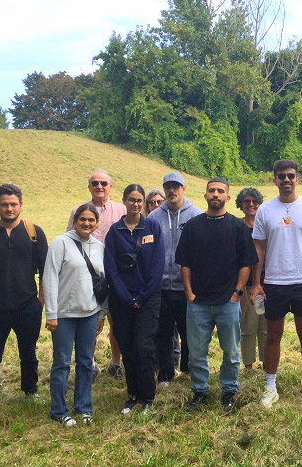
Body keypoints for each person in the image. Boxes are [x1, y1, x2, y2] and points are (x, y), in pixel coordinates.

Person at [251, 160, 302, 408]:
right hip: (274, 282)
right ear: (274, 180)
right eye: (281, 176)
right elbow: (258, 248)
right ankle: (270, 387)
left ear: (297, 179)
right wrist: (257, 282)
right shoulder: (265, 210)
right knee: (273, 336)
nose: (286, 180)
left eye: (290, 176)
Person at [176, 178, 258, 413]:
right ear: (205, 196)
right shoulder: (193, 226)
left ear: (228, 198)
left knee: (231, 352)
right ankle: (199, 392)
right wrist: (189, 293)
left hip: (228, 302)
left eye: (220, 191)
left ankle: (229, 391)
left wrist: (237, 293)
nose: (215, 194)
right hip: (198, 302)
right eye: (211, 190)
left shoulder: (238, 227)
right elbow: (185, 263)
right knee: (196, 353)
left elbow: (246, 263)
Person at [0, 183, 48, 414]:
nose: (9, 208)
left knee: (29, 352)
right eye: (4, 204)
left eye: (13, 204)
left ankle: (30, 391)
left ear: (21, 204)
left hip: (27, 305)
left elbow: (46, 270)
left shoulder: (34, 232)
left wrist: (40, 302)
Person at [43, 204, 107, 426]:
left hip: (90, 313)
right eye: (83, 219)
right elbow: (49, 278)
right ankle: (59, 410)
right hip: (64, 314)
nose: (87, 223)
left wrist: (102, 313)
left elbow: (103, 282)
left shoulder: (100, 247)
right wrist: (51, 313)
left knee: (85, 363)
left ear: (97, 223)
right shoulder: (60, 243)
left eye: (91, 220)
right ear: (75, 220)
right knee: (61, 363)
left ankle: (83, 407)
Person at [104, 184, 165, 414]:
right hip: (121, 301)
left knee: (144, 346)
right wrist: (126, 297)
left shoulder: (152, 227)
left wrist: (142, 296)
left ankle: (147, 397)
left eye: (139, 200)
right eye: (131, 199)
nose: (136, 204)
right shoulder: (114, 231)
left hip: (148, 300)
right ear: (124, 201)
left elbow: (157, 267)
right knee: (127, 347)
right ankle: (132, 394)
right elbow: (111, 269)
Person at [67, 169, 127, 380]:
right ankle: (89, 363)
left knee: (116, 321)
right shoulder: (79, 210)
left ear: (111, 187)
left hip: (117, 273)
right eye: (95, 183)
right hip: (88, 277)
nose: (99, 187)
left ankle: (116, 363)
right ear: (89, 187)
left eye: (103, 183)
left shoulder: (121, 209)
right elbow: (70, 240)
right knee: (89, 321)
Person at [148, 173, 202, 384]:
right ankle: (165, 373)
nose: (172, 191)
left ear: (184, 188)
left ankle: (188, 370)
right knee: (163, 332)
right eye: (168, 187)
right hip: (161, 287)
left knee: (189, 332)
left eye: (176, 186)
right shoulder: (153, 218)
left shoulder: (195, 215)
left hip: (187, 287)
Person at [235, 187, 267, 371]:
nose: (251, 204)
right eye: (247, 201)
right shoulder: (236, 227)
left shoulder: (266, 226)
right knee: (247, 327)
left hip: (268, 284)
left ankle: (266, 364)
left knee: (265, 328)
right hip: (244, 286)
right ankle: (248, 366)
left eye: (255, 201)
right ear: (240, 204)